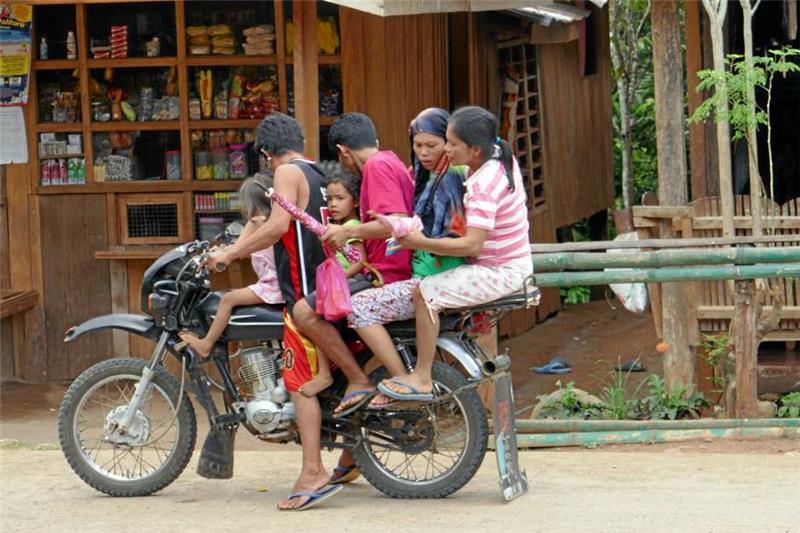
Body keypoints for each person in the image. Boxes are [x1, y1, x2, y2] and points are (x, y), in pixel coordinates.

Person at [206, 112, 340, 511]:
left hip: (301, 296)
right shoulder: (316, 171)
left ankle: (314, 471)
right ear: (299, 139)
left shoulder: (285, 173)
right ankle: (344, 462)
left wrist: (230, 253)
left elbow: (278, 225)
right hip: (325, 287)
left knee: (299, 382)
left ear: (266, 153)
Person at [379, 106, 533, 401]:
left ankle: (422, 376)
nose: (446, 150)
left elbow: (472, 245)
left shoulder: (483, 185)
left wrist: (418, 242)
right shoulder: (498, 151)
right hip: (512, 261)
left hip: (499, 270)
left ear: (475, 149)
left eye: (451, 144)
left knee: (426, 293)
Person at [291, 112, 415, 418]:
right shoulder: (390, 161)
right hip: (384, 268)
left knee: (304, 312)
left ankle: (362, 379)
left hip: (384, 273)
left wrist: (348, 230)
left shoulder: (376, 166)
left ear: (343, 151)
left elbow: (396, 223)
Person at [343, 107, 468, 408]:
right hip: (425, 276)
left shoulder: (449, 178)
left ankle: (402, 380)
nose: (423, 153)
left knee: (356, 307)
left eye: (432, 145)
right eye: (418, 145)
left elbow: (451, 238)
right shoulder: (426, 177)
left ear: (448, 143)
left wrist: (406, 235)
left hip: (433, 280)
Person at [178, 177, 284, 358]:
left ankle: (206, 345)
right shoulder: (273, 223)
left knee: (227, 299)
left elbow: (237, 249)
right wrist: (220, 251)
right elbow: (237, 248)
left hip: (272, 287)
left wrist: (216, 259)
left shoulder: (256, 223)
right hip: (280, 284)